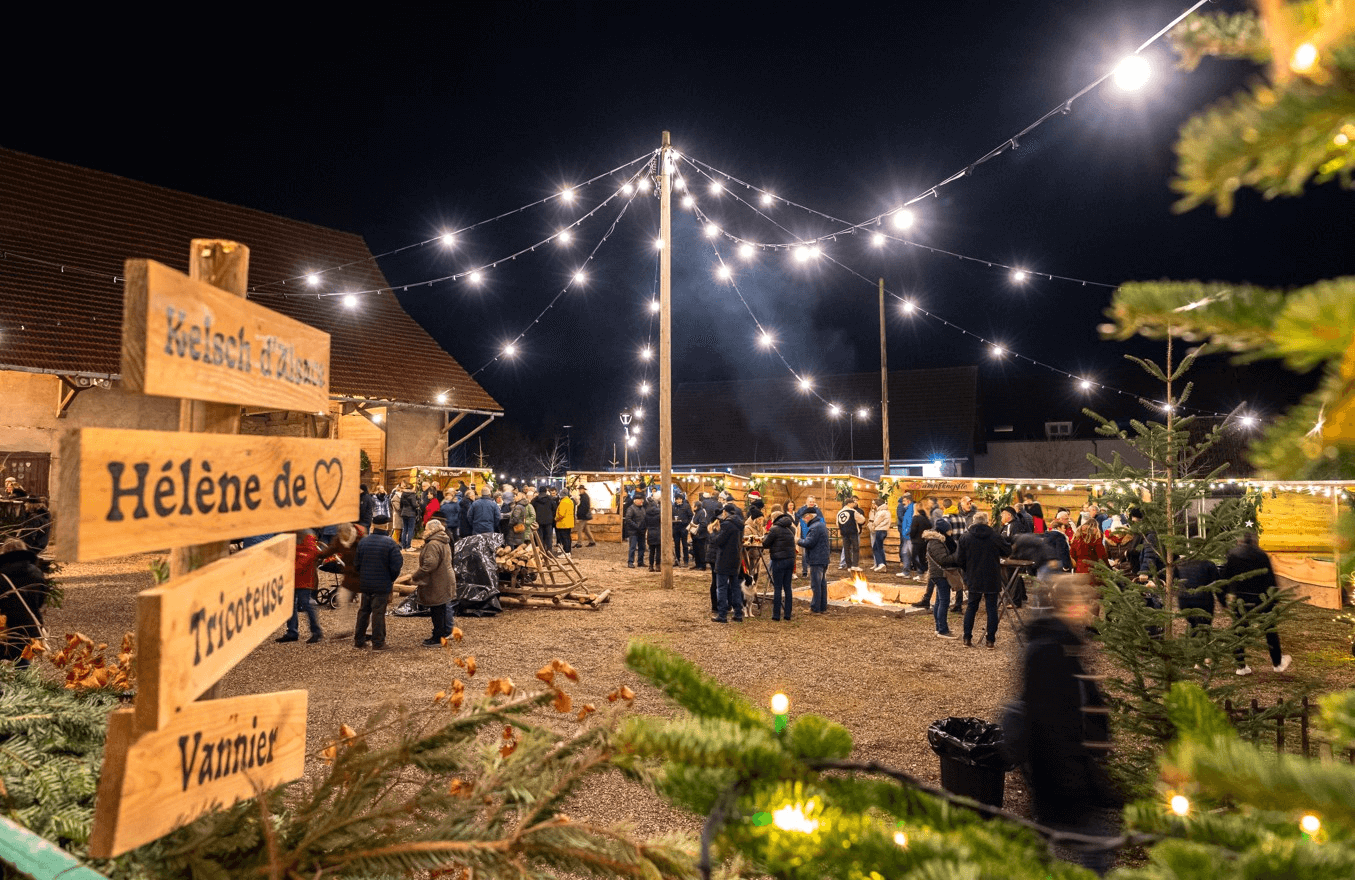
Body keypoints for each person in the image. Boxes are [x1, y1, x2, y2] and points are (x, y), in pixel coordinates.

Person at [1018, 577, 1120, 875]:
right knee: (1095, 847)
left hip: (1070, 768)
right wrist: (1071, 773)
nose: (1090, 606)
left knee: (1055, 843)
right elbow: (1046, 716)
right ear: (1070, 605)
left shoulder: (1067, 643)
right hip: (1063, 771)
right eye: (1084, 600)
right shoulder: (1049, 650)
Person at [1224, 531, 1291, 675]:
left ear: (1240, 541)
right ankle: (1277, 663)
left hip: (1241, 598)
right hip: (1261, 598)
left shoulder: (1232, 555)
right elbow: (1269, 577)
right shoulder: (1261, 555)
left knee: (1239, 632)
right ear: (1254, 541)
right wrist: (1274, 597)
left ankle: (1241, 666)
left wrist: (1226, 594)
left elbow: (1226, 576)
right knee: (1270, 630)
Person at [955, 511, 1011, 648]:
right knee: (991, 608)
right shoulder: (995, 536)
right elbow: (1007, 551)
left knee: (971, 607)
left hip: (973, 576)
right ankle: (990, 640)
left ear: (973, 522)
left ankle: (967, 637)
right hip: (992, 575)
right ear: (987, 522)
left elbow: (959, 559)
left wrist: (967, 570)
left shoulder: (965, 537)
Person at [353, 515, 403, 650]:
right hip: (382, 583)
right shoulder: (391, 543)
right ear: (386, 526)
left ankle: (359, 640)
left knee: (363, 611)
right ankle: (378, 642)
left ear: (373, 525)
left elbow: (356, 563)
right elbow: (396, 566)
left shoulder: (363, 542)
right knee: (378, 613)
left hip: (366, 582)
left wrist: (363, 575)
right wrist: (390, 579)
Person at [0, 537, 48, 665]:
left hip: (4, 630)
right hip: (28, 627)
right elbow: (40, 600)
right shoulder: (36, 573)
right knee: (23, 667)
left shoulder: (1, 574)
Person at [413, 518, 456, 647]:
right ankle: (443, 633)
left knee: (437, 609)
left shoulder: (433, 544)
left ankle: (438, 637)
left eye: (426, 529)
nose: (424, 531)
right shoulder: (443, 540)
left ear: (432, 530)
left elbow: (430, 565)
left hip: (438, 580)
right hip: (445, 578)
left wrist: (416, 575)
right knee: (442, 608)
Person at [277, 528, 324, 644]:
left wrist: (293, 567)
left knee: (306, 603)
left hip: (303, 575)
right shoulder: (293, 533)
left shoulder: (306, 535)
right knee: (291, 604)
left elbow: (309, 554)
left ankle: (316, 631)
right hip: (294, 574)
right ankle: (292, 632)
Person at [321, 522, 363, 638]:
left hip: (361, 577)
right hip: (349, 577)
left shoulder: (360, 539)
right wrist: (316, 555)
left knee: (363, 605)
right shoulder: (339, 540)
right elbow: (329, 551)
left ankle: (367, 630)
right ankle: (344, 629)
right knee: (342, 600)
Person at [709, 503, 746, 623]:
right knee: (735, 587)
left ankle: (722, 614)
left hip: (724, 559)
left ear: (725, 512)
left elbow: (719, 541)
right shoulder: (740, 525)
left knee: (722, 587)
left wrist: (713, 534)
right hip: (735, 558)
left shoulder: (726, 524)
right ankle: (738, 613)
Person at [922, 521, 958, 638]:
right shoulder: (935, 542)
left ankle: (939, 628)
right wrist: (956, 556)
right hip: (940, 574)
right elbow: (943, 559)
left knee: (939, 601)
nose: (951, 532)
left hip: (937, 574)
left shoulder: (936, 541)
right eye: (949, 529)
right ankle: (943, 630)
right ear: (944, 530)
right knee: (944, 601)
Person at [763, 509, 797, 621]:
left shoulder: (774, 529)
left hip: (778, 560)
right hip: (790, 560)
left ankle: (776, 615)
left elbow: (766, 544)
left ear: (775, 519)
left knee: (777, 587)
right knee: (788, 587)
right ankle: (788, 614)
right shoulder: (791, 528)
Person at [798, 507, 830, 613]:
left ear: (810, 516)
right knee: (822, 584)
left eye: (804, 517)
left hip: (816, 559)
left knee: (816, 585)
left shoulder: (814, 527)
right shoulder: (821, 525)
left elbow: (809, 543)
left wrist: (798, 540)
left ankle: (815, 608)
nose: (803, 519)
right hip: (823, 558)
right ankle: (822, 607)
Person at [836, 496, 865, 570]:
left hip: (844, 533)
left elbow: (837, 523)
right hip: (853, 532)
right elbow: (862, 520)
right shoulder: (853, 511)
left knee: (846, 549)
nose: (854, 504)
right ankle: (855, 565)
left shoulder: (839, 512)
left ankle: (848, 566)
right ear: (849, 504)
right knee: (855, 548)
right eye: (853, 503)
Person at [795, 495, 820, 578]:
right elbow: (797, 520)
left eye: (813, 501)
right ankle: (804, 571)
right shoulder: (801, 510)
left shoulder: (817, 510)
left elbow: (821, 520)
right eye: (810, 501)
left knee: (814, 553)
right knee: (805, 554)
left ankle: (814, 571)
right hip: (804, 534)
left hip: (815, 534)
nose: (812, 503)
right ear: (806, 502)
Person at [909, 500, 932, 582]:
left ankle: (922, 571)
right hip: (925, 541)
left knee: (914, 558)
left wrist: (911, 536)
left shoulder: (916, 518)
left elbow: (913, 530)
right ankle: (924, 572)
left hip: (917, 541)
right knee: (922, 558)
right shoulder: (926, 519)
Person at [692, 492, 716, 572]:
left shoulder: (702, 512)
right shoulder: (696, 513)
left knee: (701, 550)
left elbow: (703, 524)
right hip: (695, 535)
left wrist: (697, 531)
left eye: (693, 505)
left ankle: (702, 565)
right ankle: (697, 564)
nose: (692, 507)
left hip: (700, 535)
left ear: (696, 507)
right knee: (695, 550)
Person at [624, 494, 647, 568]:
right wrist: (636, 526)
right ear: (635, 501)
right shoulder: (631, 509)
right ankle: (630, 562)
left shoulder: (643, 509)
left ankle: (640, 561)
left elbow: (644, 518)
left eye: (641, 500)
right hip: (633, 531)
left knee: (642, 547)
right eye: (639, 500)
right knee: (633, 547)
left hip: (641, 531)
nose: (641, 501)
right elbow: (628, 519)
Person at [896, 492, 915, 575]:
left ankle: (919, 571)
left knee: (909, 552)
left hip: (908, 534)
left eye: (904, 501)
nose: (903, 503)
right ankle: (906, 570)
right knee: (906, 551)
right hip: (906, 532)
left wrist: (907, 531)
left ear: (907, 500)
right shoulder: (906, 507)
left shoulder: (910, 509)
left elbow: (909, 521)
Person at [398, 485, 423, 550]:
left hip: (404, 513)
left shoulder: (403, 494)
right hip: (411, 513)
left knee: (404, 529)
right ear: (412, 488)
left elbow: (400, 505)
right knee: (410, 529)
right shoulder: (412, 495)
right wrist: (418, 504)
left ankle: (403, 545)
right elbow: (414, 505)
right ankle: (408, 546)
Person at [532, 488, 556, 552]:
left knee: (540, 537)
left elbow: (532, 510)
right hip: (548, 521)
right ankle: (549, 550)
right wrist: (552, 517)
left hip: (538, 521)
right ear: (546, 491)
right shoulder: (550, 499)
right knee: (548, 537)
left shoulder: (535, 500)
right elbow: (554, 509)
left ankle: (541, 551)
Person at [644, 492, 663, 572]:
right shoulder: (660, 514)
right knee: (658, 551)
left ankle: (650, 566)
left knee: (651, 551)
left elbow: (645, 523)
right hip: (658, 532)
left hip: (650, 532)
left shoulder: (647, 513)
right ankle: (658, 565)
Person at [672, 492, 693, 566]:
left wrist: (687, 524)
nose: (678, 500)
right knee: (676, 544)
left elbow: (691, 516)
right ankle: (677, 560)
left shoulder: (686, 506)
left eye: (680, 499)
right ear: (675, 500)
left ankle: (686, 560)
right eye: (677, 499)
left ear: (682, 499)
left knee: (685, 545)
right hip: (675, 528)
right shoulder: (673, 507)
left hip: (684, 528)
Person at [554, 487, 575, 556]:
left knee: (564, 538)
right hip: (569, 522)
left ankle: (566, 552)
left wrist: (556, 518)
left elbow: (561, 514)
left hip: (563, 523)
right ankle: (568, 551)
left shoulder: (563, 502)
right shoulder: (570, 501)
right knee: (568, 537)